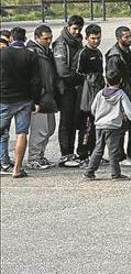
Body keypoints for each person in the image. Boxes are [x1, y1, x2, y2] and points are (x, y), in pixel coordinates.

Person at [82, 74, 131, 181]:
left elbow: (93, 108)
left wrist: (99, 117)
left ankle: (89, 172)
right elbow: (129, 110)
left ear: (107, 80)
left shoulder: (100, 93)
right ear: (120, 80)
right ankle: (115, 174)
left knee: (98, 149)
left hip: (100, 125)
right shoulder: (120, 94)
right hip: (113, 126)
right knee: (113, 151)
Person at [0, 27, 42, 178]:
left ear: (11, 38)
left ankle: (3, 161)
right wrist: (36, 100)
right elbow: (36, 81)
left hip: (4, 98)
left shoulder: (2, 54)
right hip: (24, 100)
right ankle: (17, 169)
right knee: (21, 133)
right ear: (24, 39)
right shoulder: (31, 56)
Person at [105, 26, 131, 166]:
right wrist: (118, 99)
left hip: (129, 93)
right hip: (120, 96)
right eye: (126, 37)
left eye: (130, 36)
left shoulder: (127, 52)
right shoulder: (114, 56)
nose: (129, 39)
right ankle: (120, 157)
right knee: (121, 127)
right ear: (118, 38)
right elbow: (113, 79)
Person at [27, 25, 61, 168]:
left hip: (49, 95)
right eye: (45, 38)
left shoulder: (46, 52)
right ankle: (33, 158)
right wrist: (36, 97)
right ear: (36, 38)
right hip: (38, 96)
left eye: (50, 38)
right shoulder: (32, 53)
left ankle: (40, 155)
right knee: (40, 129)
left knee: (50, 128)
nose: (48, 41)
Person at [53, 15, 84, 167]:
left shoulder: (78, 42)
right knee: (66, 122)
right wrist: (79, 77)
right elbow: (62, 70)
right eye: (74, 29)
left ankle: (71, 153)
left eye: (79, 29)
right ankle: (65, 155)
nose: (77, 32)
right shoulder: (60, 44)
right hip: (65, 88)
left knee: (74, 121)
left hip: (76, 87)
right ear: (68, 26)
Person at [74, 24, 104, 165]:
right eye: (93, 38)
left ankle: (94, 152)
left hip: (97, 92)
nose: (96, 41)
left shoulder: (98, 53)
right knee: (86, 125)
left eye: (98, 38)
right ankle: (82, 154)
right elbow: (78, 74)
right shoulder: (83, 53)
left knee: (96, 124)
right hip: (86, 94)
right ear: (87, 38)